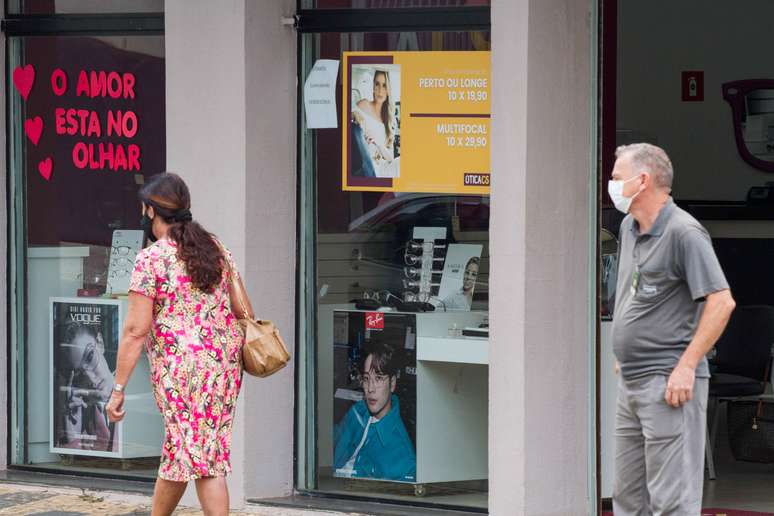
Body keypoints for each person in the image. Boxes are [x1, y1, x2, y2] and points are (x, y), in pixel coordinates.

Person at [105, 172, 251, 516]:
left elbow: (135, 331)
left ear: (150, 211)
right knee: (187, 447)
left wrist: (118, 387)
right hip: (223, 367)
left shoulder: (152, 259)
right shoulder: (215, 247)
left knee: (203, 459)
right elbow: (244, 308)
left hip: (180, 370)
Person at [609, 143, 736, 514]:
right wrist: (624, 351)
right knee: (628, 496)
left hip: (669, 384)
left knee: (671, 500)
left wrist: (686, 365)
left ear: (642, 180)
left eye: (617, 178)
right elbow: (632, 291)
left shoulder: (684, 233)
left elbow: (721, 301)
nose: (612, 185)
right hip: (631, 382)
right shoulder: (629, 227)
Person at [333, 338, 416, 482]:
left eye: (378, 378)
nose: (370, 389)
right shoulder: (358, 411)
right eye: (366, 379)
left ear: (392, 383)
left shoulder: (403, 459)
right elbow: (334, 438)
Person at [55, 322, 115, 452]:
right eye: (79, 373)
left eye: (89, 356)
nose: (91, 379)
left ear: (100, 343)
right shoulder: (80, 417)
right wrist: (72, 437)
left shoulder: (133, 389)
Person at [351, 69, 400, 178]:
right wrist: (353, 115)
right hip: (368, 164)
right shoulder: (364, 104)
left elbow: (390, 157)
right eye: (377, 84)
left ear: (388, 90)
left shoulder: (389, 119)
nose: (380, 90)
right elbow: (351, 121)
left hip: (383, 167)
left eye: (384, 85)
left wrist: (378, 144)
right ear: (373, 87)